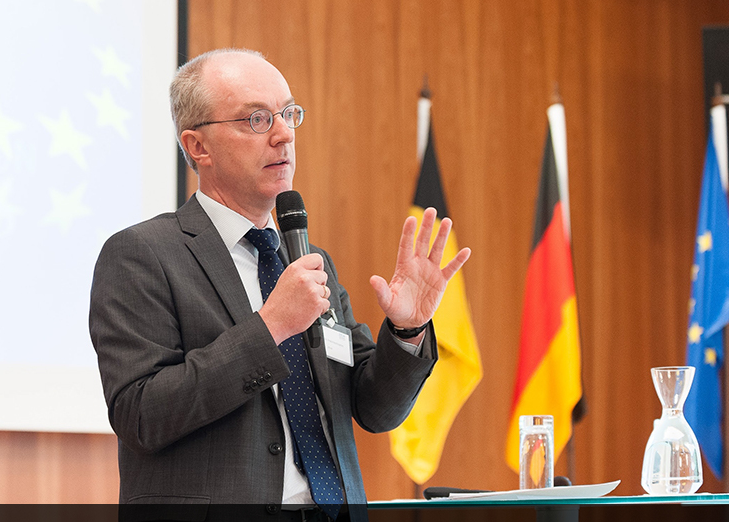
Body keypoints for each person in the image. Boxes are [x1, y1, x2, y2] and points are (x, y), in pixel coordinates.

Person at [89, 48, 471, 522]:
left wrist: (407, 331)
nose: (284, 134)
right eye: (257, 119)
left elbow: (375, 410)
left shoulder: (308, 260)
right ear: (198, 146)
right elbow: (141, 414)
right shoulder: (142, 254)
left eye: (289, 114)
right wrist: (270, 327)